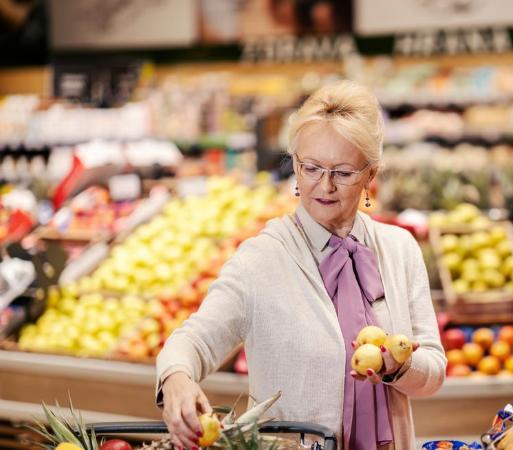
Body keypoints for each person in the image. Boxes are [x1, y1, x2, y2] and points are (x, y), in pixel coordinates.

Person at [156, 80, 447, 450]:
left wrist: (399, 367)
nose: (324, 186)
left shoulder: (399, 250)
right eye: (310, 168)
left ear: (370, 175)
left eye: (342, 173)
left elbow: (435, 370)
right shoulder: (261, 260)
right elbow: (192, 340)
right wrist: (176, 378)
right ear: (294, 164)